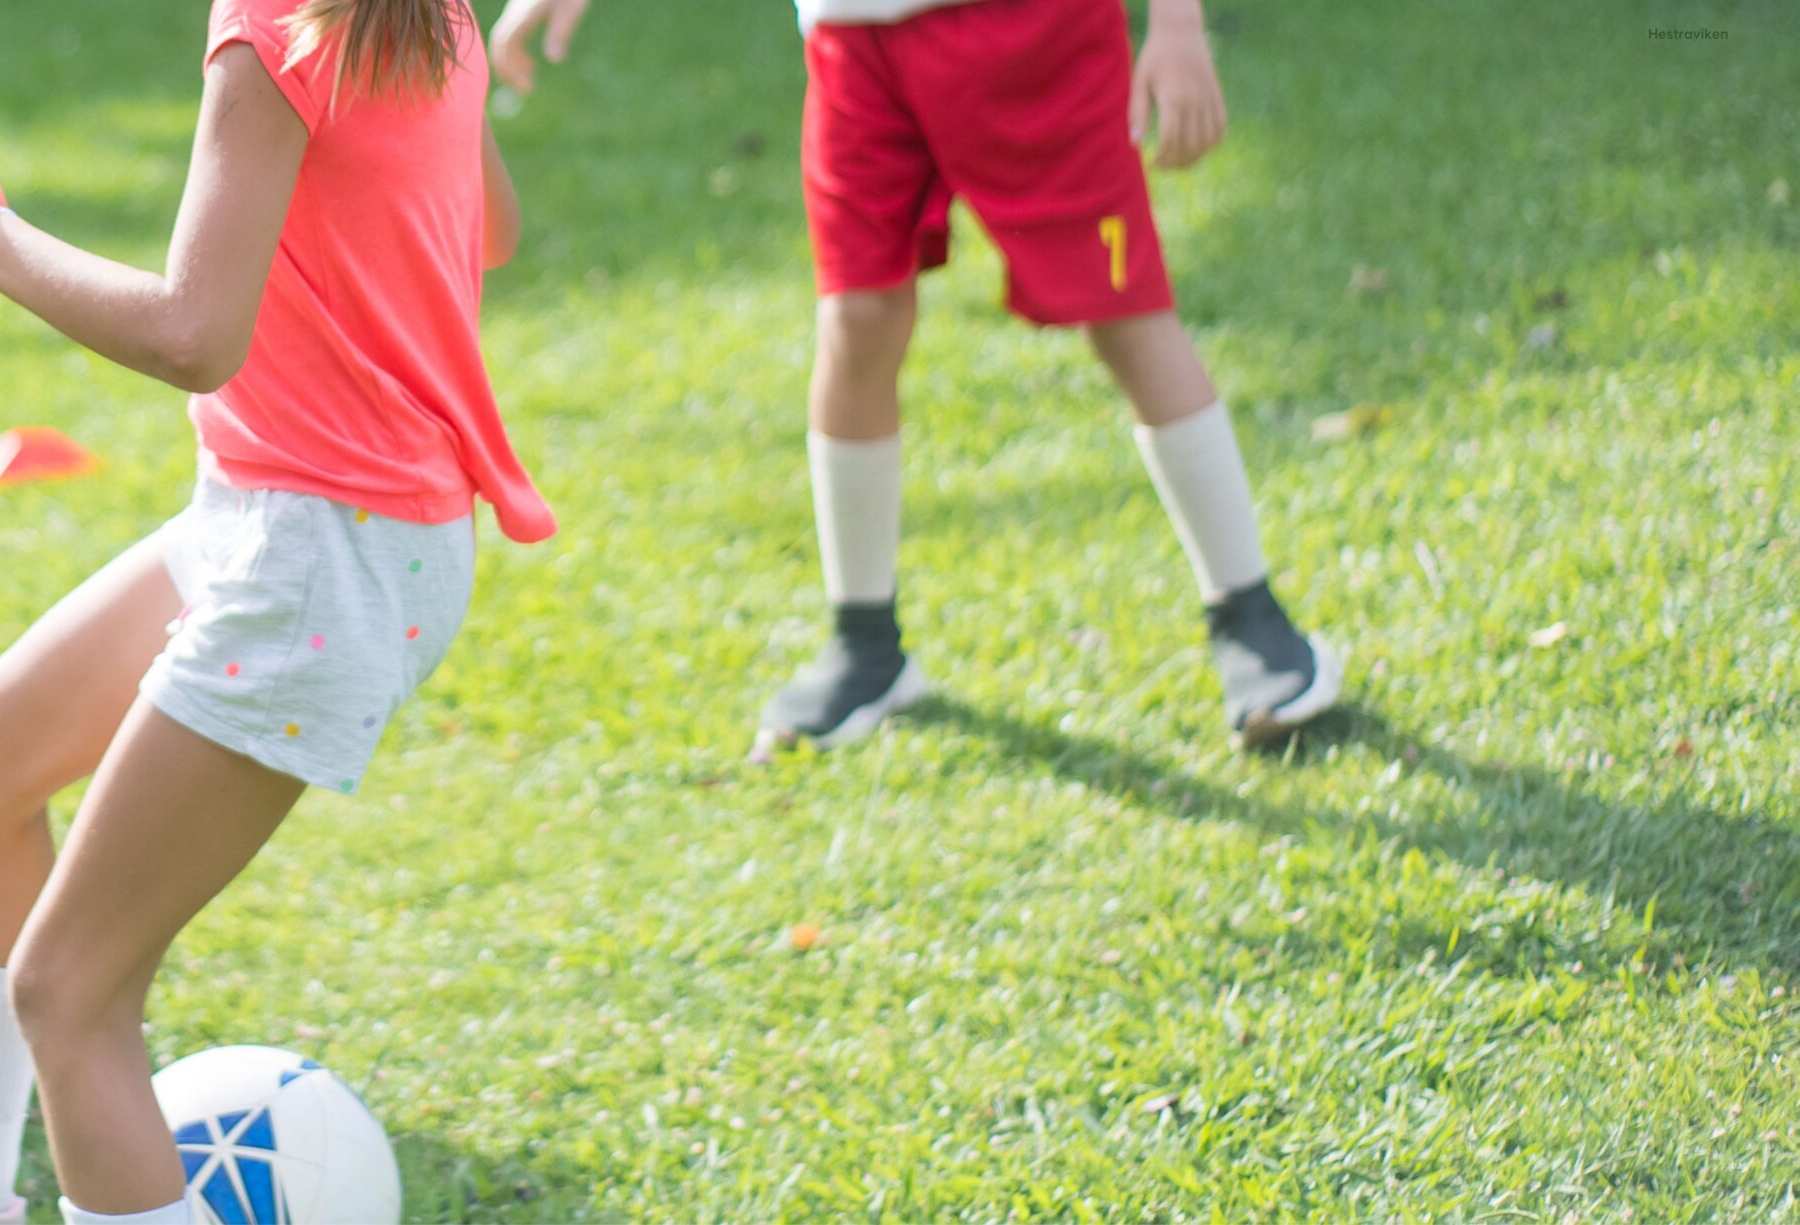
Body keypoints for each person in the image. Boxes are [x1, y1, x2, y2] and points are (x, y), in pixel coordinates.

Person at [0, 0, 549, 1220]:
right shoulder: (424, 13)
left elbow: (193, 336)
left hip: (319, 558)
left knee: (71, 992)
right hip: (307, 521)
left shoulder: (271, 29)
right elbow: (497, 229)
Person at [490, 0, 1344, 756]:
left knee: (1122, 313)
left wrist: (1180, 25)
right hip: (852, 40)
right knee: (858, 321)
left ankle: (1250, 617)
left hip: (1036, 29)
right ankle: (864, 644)